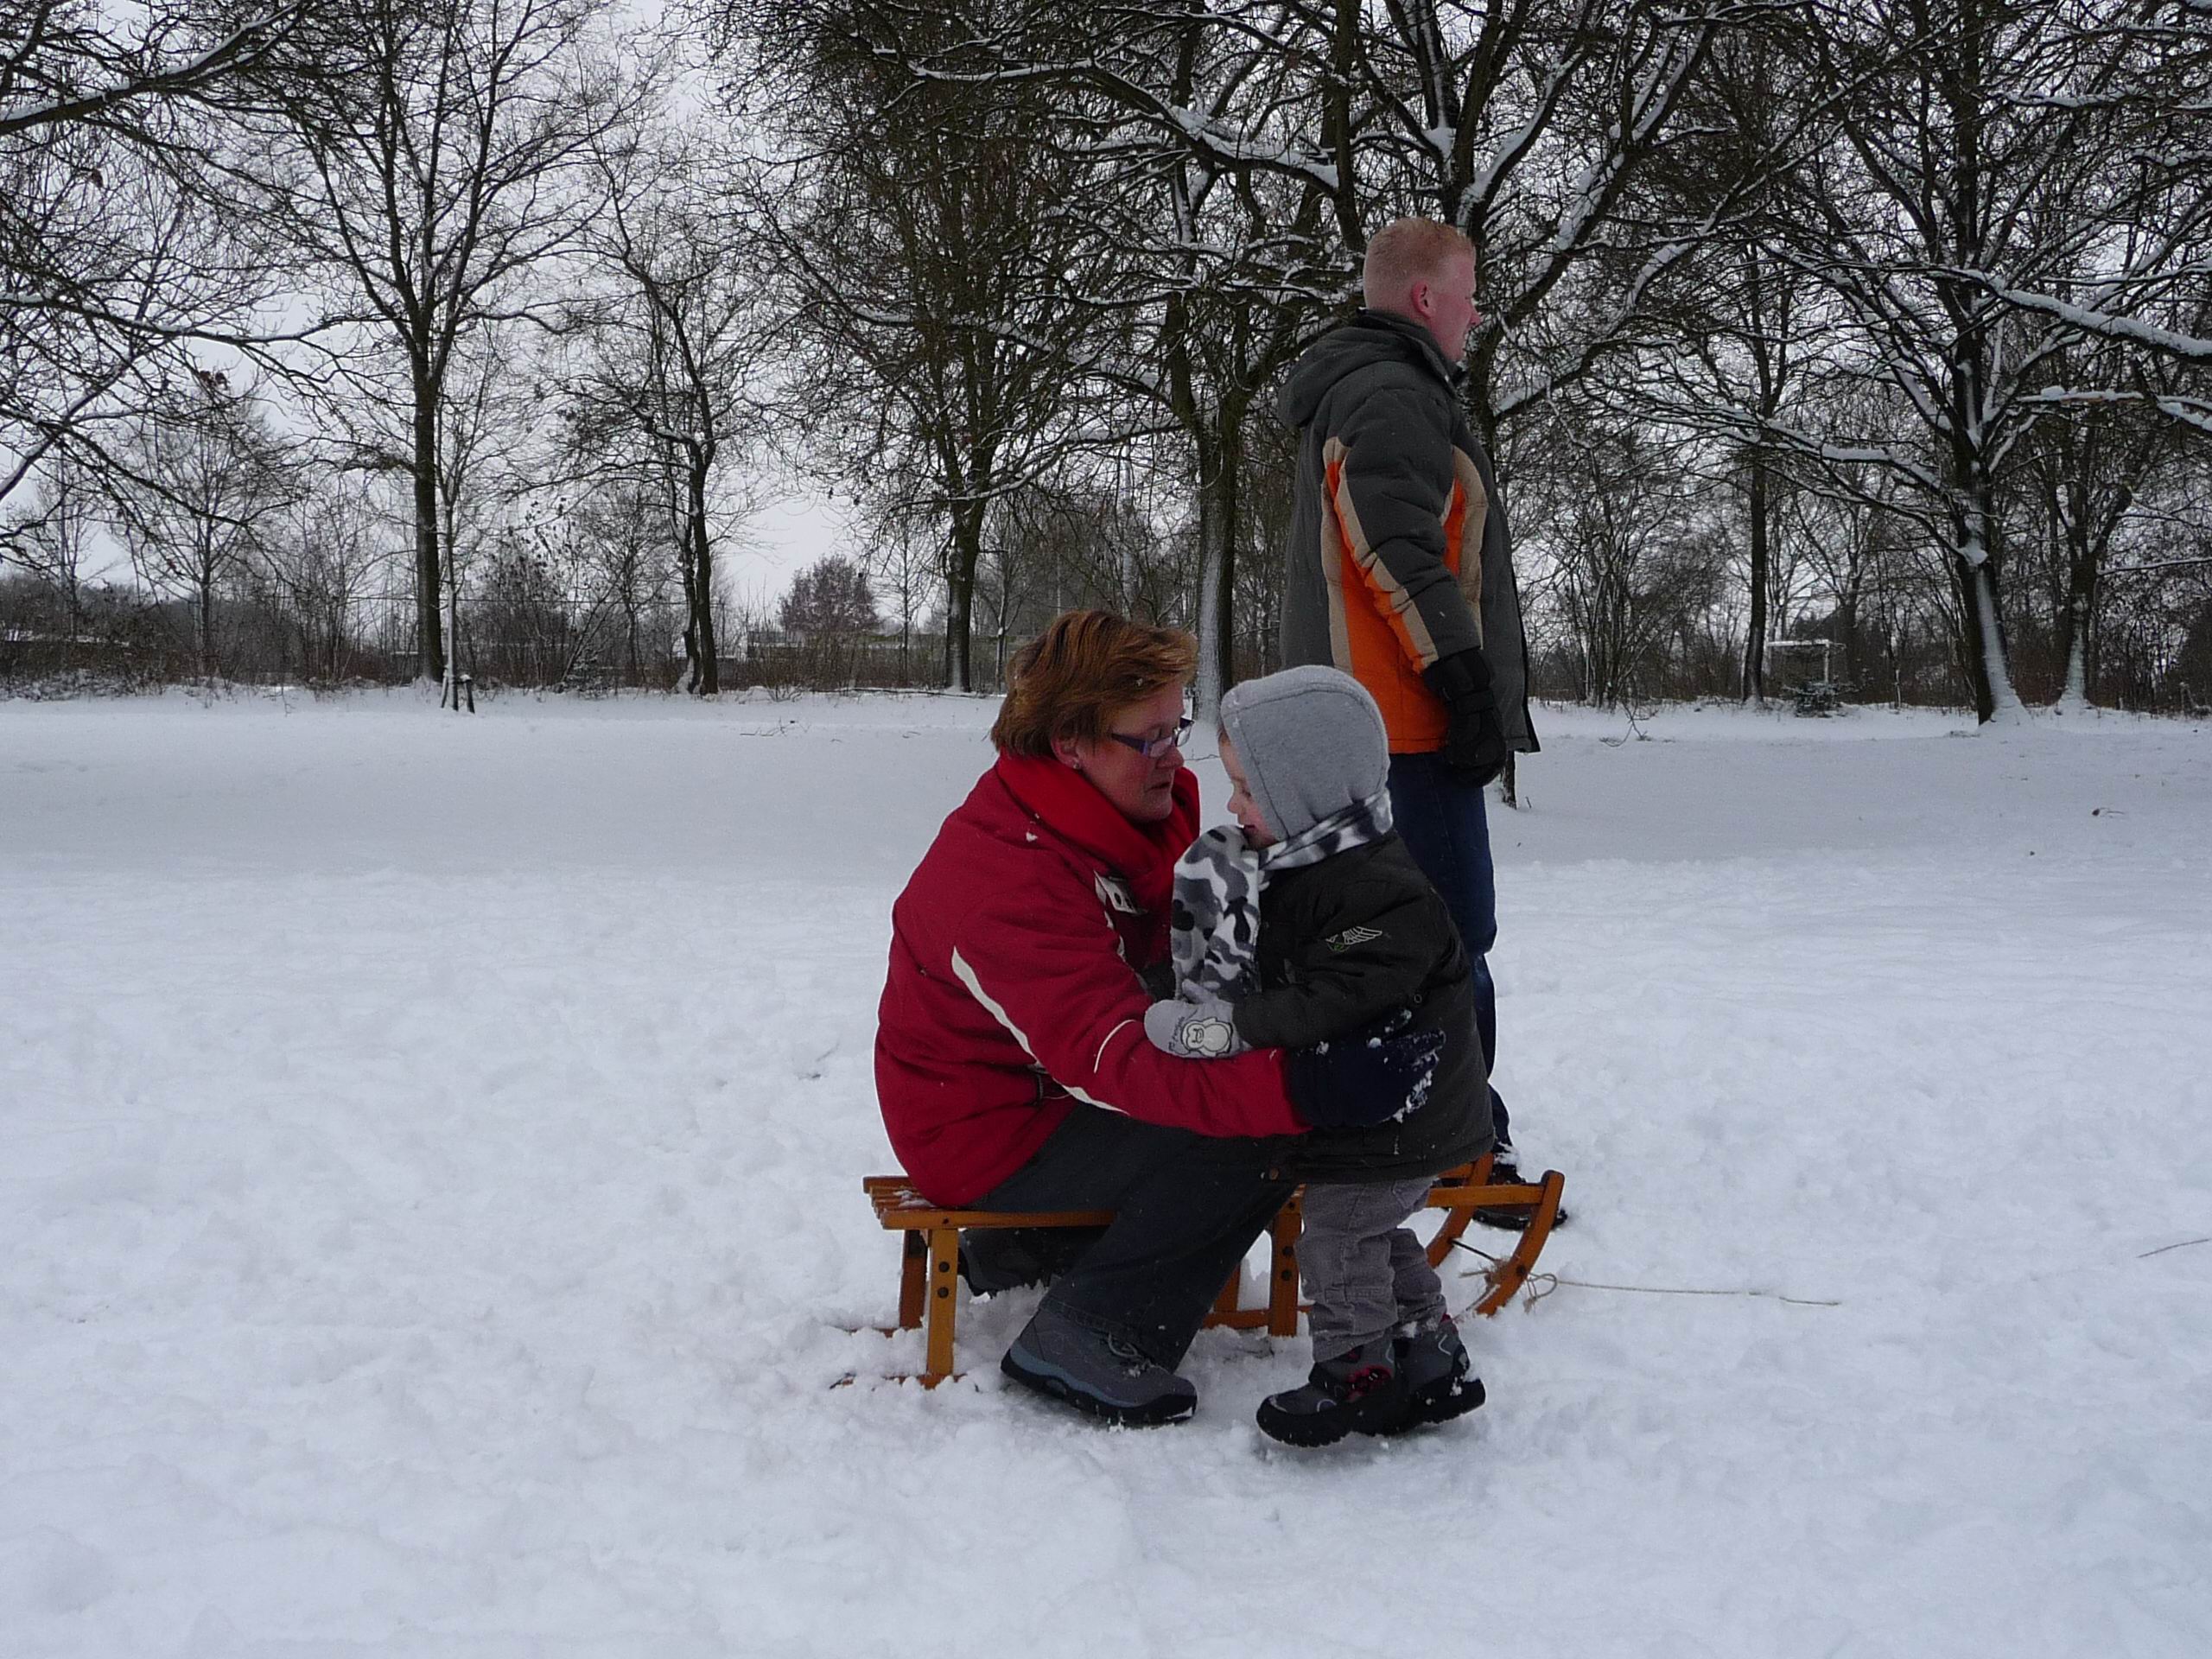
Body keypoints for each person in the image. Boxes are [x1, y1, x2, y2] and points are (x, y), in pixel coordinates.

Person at [875, 610, 1440, 1428]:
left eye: (1179, 728)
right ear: (1070, 741)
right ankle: (1091, 1332)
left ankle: (1048, 1253)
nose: (1176, 757)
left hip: (1057, 1084)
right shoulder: (998, 877)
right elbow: (1112, 1056)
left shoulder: (1140, 801)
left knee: (1253, 1093)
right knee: (1261, 1128)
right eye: (1151, 737)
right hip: (989, 1132)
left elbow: (1182, 977)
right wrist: (1298, 1086)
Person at [1275, 214, 1552, 1219]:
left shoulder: (1365, 385)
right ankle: (1455, 1147)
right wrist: (1464, 686)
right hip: (1400, 732)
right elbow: (1394, 550)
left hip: (1371, 727)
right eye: (1469, 292)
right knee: (1445, 939)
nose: (1479, 314)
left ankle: (1420, 1128)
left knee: (1399, 941)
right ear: (1427, 297)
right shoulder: (1392, 391)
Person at [1144, 666, 1491, 1445]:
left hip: (1404, 1114)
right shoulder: (1316, 867)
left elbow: (1331, 1002)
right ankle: (1432, 1358)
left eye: (1246, 789)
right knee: (1373, 1233)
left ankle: (1355, 1370)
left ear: (1306, 792)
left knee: (1336, 1238)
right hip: (1387, 1116)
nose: (1232, 806)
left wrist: (1227, 1026)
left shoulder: (1379, 891)